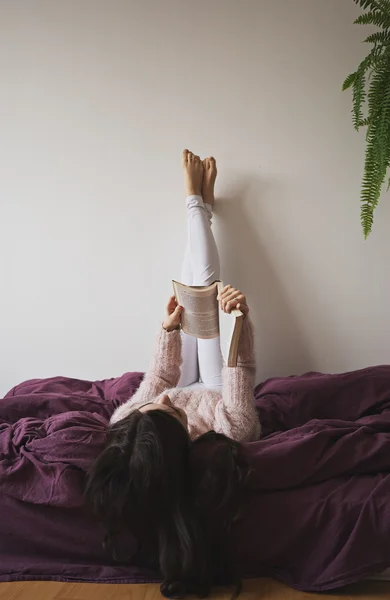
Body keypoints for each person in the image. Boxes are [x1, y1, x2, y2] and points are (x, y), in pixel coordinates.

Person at [85, 150, 261, 598]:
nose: (160, 401)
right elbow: (239, 371)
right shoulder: (229, 431)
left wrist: (167, 330)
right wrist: (238, 320)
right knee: (208, 287)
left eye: (149, 408)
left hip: (187, 383)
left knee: (191, 289)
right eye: (168, 415)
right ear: (181, 444)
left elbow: (162, 381)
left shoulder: (127, 424)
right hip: (218, 391)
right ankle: (195, 201)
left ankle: (200, 205)